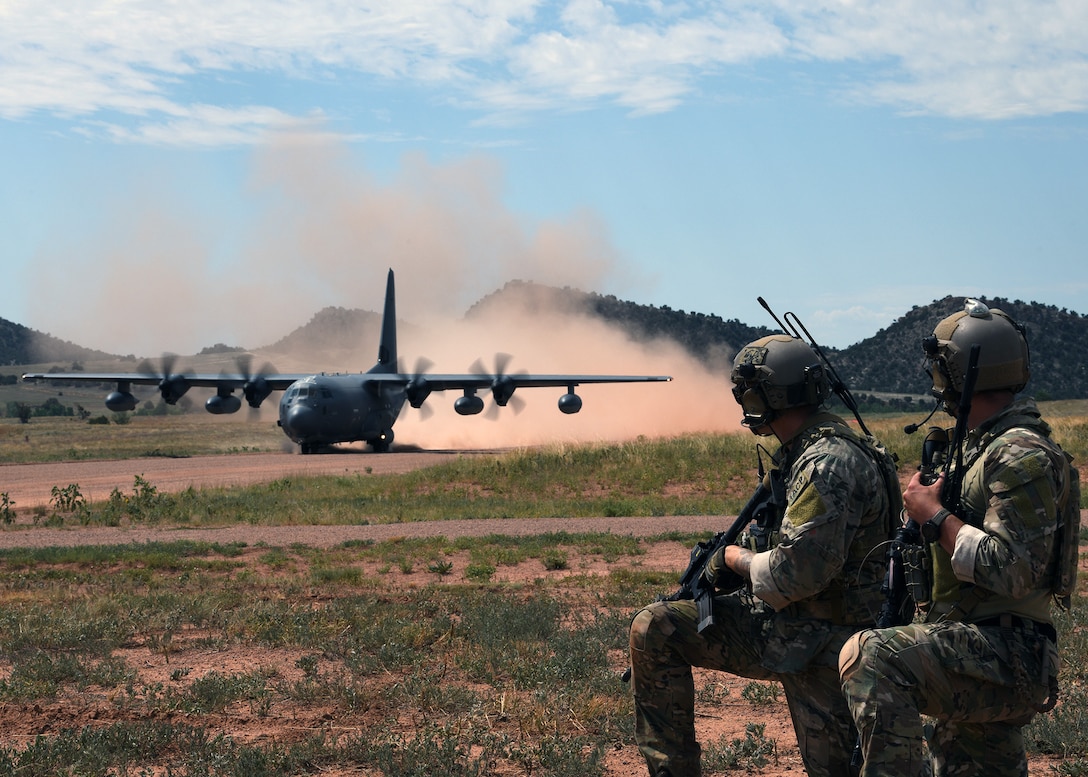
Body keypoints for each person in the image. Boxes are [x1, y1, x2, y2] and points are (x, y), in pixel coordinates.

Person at [628, 333, 901, 777]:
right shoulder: (806, 451)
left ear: (766, 395)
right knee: (657, 627)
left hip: (828, 641)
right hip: (795, 625)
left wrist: (732, 559)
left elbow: (794, 574)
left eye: (747, 392)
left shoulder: (826, 461)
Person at [839, 299, 1079, 776]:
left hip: (1009, 656)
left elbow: (1013, 571)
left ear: (957, 371)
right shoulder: (979, 446)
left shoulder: (1019, 454)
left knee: (872, 657)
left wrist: (935, 519)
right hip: (980, 643)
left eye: (939, 368)